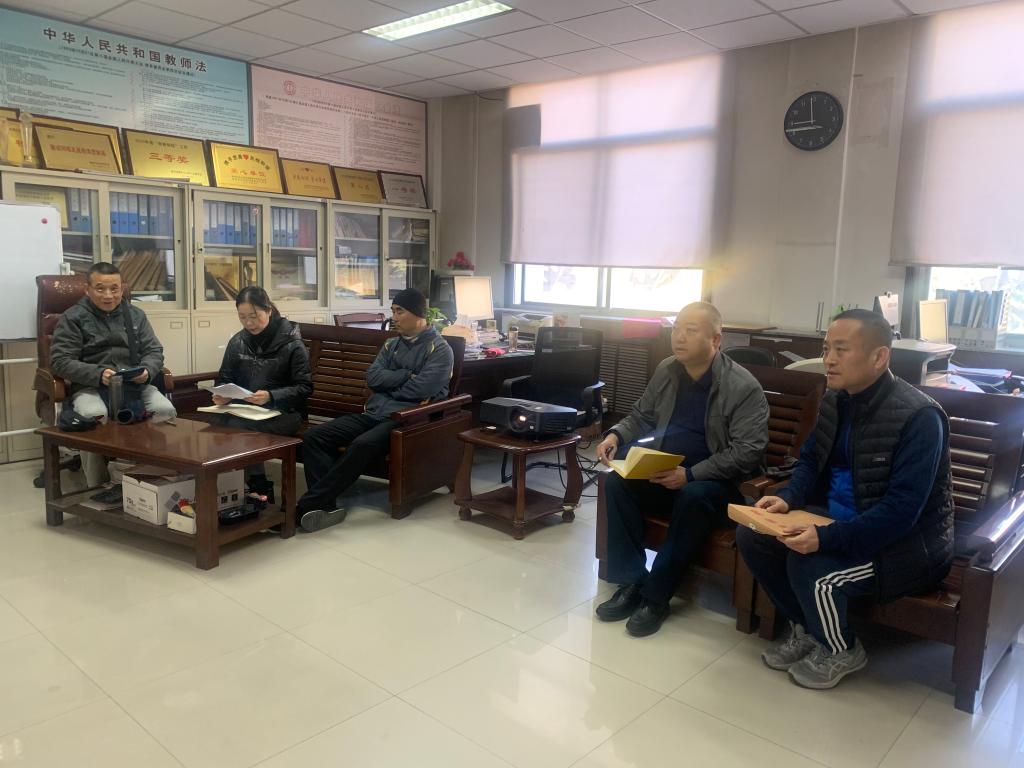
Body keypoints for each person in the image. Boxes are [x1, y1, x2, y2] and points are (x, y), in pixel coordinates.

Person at [737, 309, 954, 690]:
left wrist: (826, 538)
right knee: (754, 537)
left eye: (841, 349)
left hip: (902, 545)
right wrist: (788, 498)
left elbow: (902, 511)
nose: (829, 360)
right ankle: (807, 628)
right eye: (826, 349)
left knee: (812, 567)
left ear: (879, 357)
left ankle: (841, 648)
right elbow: (809, 460)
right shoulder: (835, 400)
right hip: (838, 520)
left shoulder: (919, 417)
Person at [595, 302, 770, 637]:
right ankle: (632, 582)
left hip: (719, 484)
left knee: (693, 495)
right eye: (677, 329)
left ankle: (656, 596)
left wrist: (690, 474)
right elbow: (642, 414)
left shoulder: (742, 386)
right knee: (617, 482)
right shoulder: (668, 370)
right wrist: (615, 435)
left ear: (716, 339)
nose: (679, 337)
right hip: (667, 471)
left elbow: (748, 452)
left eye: (691, 331)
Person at [297, 289, 454, 532]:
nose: (394, 318)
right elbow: (372, 378)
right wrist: (405, 375)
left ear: (418, 314)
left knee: (362, 444)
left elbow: (421, 390)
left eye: (400, 311)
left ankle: (306, 505)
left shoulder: (440, 350)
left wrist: (388, 388)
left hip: (406, 419)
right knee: (314, 437)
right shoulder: (392, 344)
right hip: (374, 412)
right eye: (393, 311)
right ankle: (324, 506)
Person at [50, 262, 176, 485]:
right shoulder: (73, 317)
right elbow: (60, 362)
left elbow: (154, 351)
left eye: (114, 289)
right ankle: (97, 487)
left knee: (164, 410)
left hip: (134, 386)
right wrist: (98, 374)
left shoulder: (135, 315)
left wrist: (147, 370)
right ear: (87, 290)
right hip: (92, 386)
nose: (108, 295)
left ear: (122, 288)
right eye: (100, 289)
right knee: (94, 416)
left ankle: (151, 479)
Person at [207, 286, 312, 502]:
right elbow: (225, 377)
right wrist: (223, 394)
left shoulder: (292, 343)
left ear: (269, 310)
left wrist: (271, 396)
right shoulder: (238, 341)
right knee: (216, 422)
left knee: (241, 429)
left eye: (254, 316)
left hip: (285, 413)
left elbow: (304, 387)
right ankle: (225, 489)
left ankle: (259, 487)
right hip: (246, 409)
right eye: (242, 317)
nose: (248, 323)